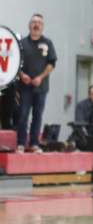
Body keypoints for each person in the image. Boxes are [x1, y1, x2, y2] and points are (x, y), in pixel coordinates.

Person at [16, 13, 57, 153]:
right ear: (29, 25)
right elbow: (15, 63)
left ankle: (34, 143)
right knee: (22, 115)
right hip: (24, 87)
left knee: (38, 116)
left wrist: (41, 77)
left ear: (42, 26)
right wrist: (21, 75)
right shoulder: (21, 43)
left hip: (41, 87)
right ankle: (21, 144)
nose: (36, 24)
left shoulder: (48, 43)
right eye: (34, 22)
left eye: (39, 22)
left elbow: (52, 63)